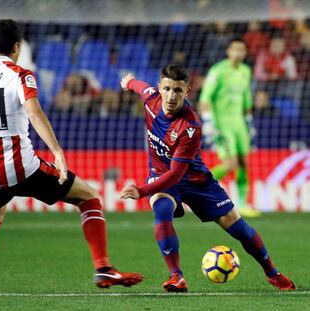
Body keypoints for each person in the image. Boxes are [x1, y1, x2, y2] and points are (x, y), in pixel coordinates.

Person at [0, 19, 143, 297]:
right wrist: (57, 152)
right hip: (21, 167)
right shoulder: (21, 74)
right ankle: (103, 267)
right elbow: (34, 113)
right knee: (89, 196)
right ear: (17, 47)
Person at [119, 65, 295, 292]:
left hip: (195, 181)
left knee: (240, 229)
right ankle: (176, 276)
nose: (172, 96)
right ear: (159, 88)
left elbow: (176, 174)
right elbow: (139, 86)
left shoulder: (190, 126)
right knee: (161, 211)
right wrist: (129, 81)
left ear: (187, 91)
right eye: (167, 89)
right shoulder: (150, 98)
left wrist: (142, 190)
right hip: (161, 176)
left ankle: (273, 273)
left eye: (178, 91)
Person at [199, 38, 261, 218]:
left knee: (243, 162)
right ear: (228, 51)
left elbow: (246, 98)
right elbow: (205, 98)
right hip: (222, 124)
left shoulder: (245, 71)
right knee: (231, 163)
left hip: (239, 124)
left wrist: (249, 122)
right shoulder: (218, 71)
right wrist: (208, 122)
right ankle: (195, 188)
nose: (238, 53)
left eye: (241, 50)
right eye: (235, 49)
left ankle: (242, 203)